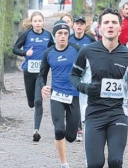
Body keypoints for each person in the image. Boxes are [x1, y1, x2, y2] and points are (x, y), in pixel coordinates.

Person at [69, 8, 128, 168]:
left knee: (115, 161)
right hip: (93, 113)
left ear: (120, 27)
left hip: (118, 113)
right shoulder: (87, 51)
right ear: (100, 27)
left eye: (114, 22)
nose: (110, 25)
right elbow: (73, 76)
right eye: (106, 22)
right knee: (95, 163)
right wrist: (85, 87)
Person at [39, 20, 81, 168]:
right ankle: (64, 164)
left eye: (65, 33)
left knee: (70, 136)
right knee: (59, 130)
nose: (63, 36)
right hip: (56, 95)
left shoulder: (77, 49)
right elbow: (42, 75)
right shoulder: (48, 53)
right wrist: (43, 87)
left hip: (74, 95)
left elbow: (87, 69)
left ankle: (72, 135)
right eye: (59, 34)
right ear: (54, 35)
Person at [12, 11, 55, 142]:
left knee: (38, 101)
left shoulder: (48, 35)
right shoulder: (26, 34)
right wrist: (26, 52)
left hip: (41, 73)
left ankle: (36, 130)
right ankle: (33, 104)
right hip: (28, 71)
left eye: (39, 21)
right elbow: (15, 49)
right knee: (32, 102)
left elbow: (53, 49)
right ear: (32, 22)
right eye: (35, 21)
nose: (37, 23)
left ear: (43, 22)